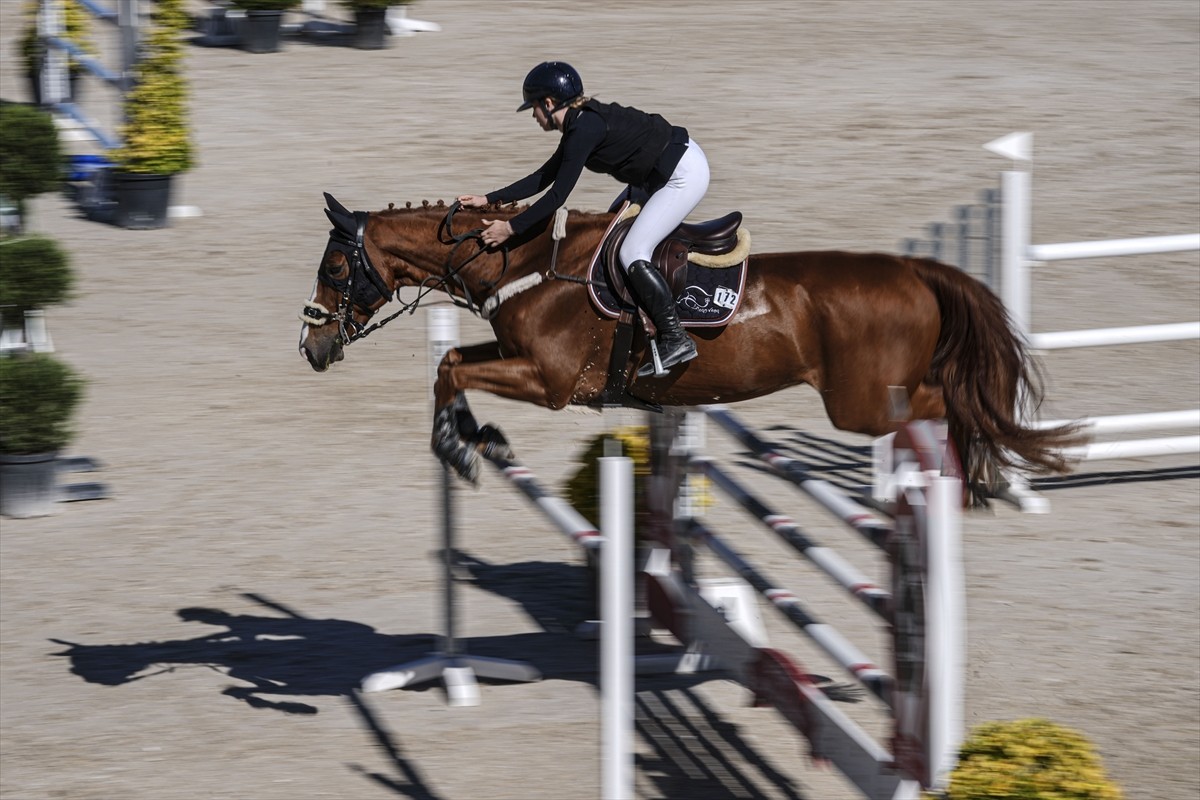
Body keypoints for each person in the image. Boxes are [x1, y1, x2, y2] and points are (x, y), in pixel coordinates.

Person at [458, 61, 710, 377]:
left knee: (631, 252)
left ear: (548, 104)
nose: (534, 117)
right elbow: (544, 175)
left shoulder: (584, 128)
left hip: (682, 176)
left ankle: (675, 338)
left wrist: (510, 228)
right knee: (608, 233)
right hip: (659, 174)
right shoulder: (580, 123)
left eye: (533, 108)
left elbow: (556, 197)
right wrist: (488, 199)